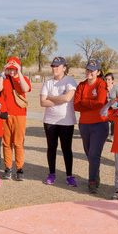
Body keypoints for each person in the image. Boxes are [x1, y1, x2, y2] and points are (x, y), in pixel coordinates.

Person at [40, 56, 78, 187]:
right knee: (51, 148)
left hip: (66, 121)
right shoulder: (48, 83)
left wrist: (51, 97)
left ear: (64, 68)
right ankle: (51, 174)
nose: (54, 68)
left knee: (66, 148)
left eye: (57, 66)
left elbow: (68, 98)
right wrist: (58, 99)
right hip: (50, 121)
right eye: (53, 66)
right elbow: (42, 102)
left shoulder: (70, 81)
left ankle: (69, 175)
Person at [73, 59, 108, 194]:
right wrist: (89, 103)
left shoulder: (101, 84)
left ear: (98, 72)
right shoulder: (81, 85)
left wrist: (84, 102)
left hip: (99, 124)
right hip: (84, 125)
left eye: (92, 70)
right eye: (87, 70)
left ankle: (92, 181)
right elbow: (76, 105)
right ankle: (96, 174)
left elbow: (100, 102)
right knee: (89, 154)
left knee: (94, 154)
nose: (89, 72)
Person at [0, 56, 31, 181]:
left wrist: (19, 72)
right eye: (10, 69)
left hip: (20, 114)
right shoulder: (4, 80)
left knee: (18, 143)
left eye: (14, 69)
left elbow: (25, 88)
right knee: (6, 143)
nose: (12, 71)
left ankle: (20, 168)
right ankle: (8, 168)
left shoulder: (23, 78)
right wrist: (2, 73)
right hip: (6, 115)